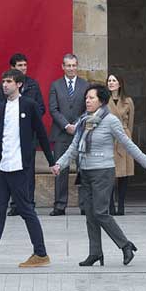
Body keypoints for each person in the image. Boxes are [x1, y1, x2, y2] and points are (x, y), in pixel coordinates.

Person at [52, 84, 146, 266]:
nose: (87, 101)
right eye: (86, 98)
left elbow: (127, 143)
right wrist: (60, 164)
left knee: (100, 212)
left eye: (91, 98)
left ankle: (125, 245)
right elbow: (74, 147)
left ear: (101, 100)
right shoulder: (83, 120)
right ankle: (95, 253)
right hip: (85, 172)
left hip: (103, 172)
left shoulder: (111, 120)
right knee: (90, 215)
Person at [0, 69, 55, 269]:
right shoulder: (0, 109)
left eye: (9, 81)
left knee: (25, 210)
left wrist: (51, 161)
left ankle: (40, 254)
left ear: (19, 84)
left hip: (20, 168)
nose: (4, 85)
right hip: (3, 168)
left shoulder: (29, 106)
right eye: (3, 81)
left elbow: (41, 135)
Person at [46, 54, 87, 217]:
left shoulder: (85, 85)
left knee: (83, 169)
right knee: (60, 169)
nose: (71, 68)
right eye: (68, 66)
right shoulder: (55, 85)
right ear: (62, 67)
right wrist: (66, 125)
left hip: (80, 132)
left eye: (74, 65)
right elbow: (53, 109)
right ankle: (60, 205)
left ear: (77, 66)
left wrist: (76, 125)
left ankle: (85, 204)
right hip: (61, 133)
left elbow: (88, 108)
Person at [105, 74, 137, 216]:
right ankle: (111, 205)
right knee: (110, 173)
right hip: (109, 137)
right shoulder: (104, 100)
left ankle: (122, 205)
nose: (111, 83)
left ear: (120, 84)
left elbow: (131, 122)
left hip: (124, 136)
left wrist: (127, 136)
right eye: (109, 81)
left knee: (124, 173)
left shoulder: (128, 101)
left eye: (114, 81)